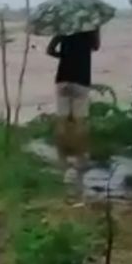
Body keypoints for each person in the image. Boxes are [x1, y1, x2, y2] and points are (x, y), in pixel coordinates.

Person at [47, 29, 101, 163]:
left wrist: (64, 56)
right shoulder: (89, 30)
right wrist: (97, 30)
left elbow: (50, 50)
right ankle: (80, 158)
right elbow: (96, 47)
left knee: (62, 120)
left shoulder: (64, 28)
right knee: (80, 121)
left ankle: (61, 158)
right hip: (81, 79)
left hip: (63, 78)